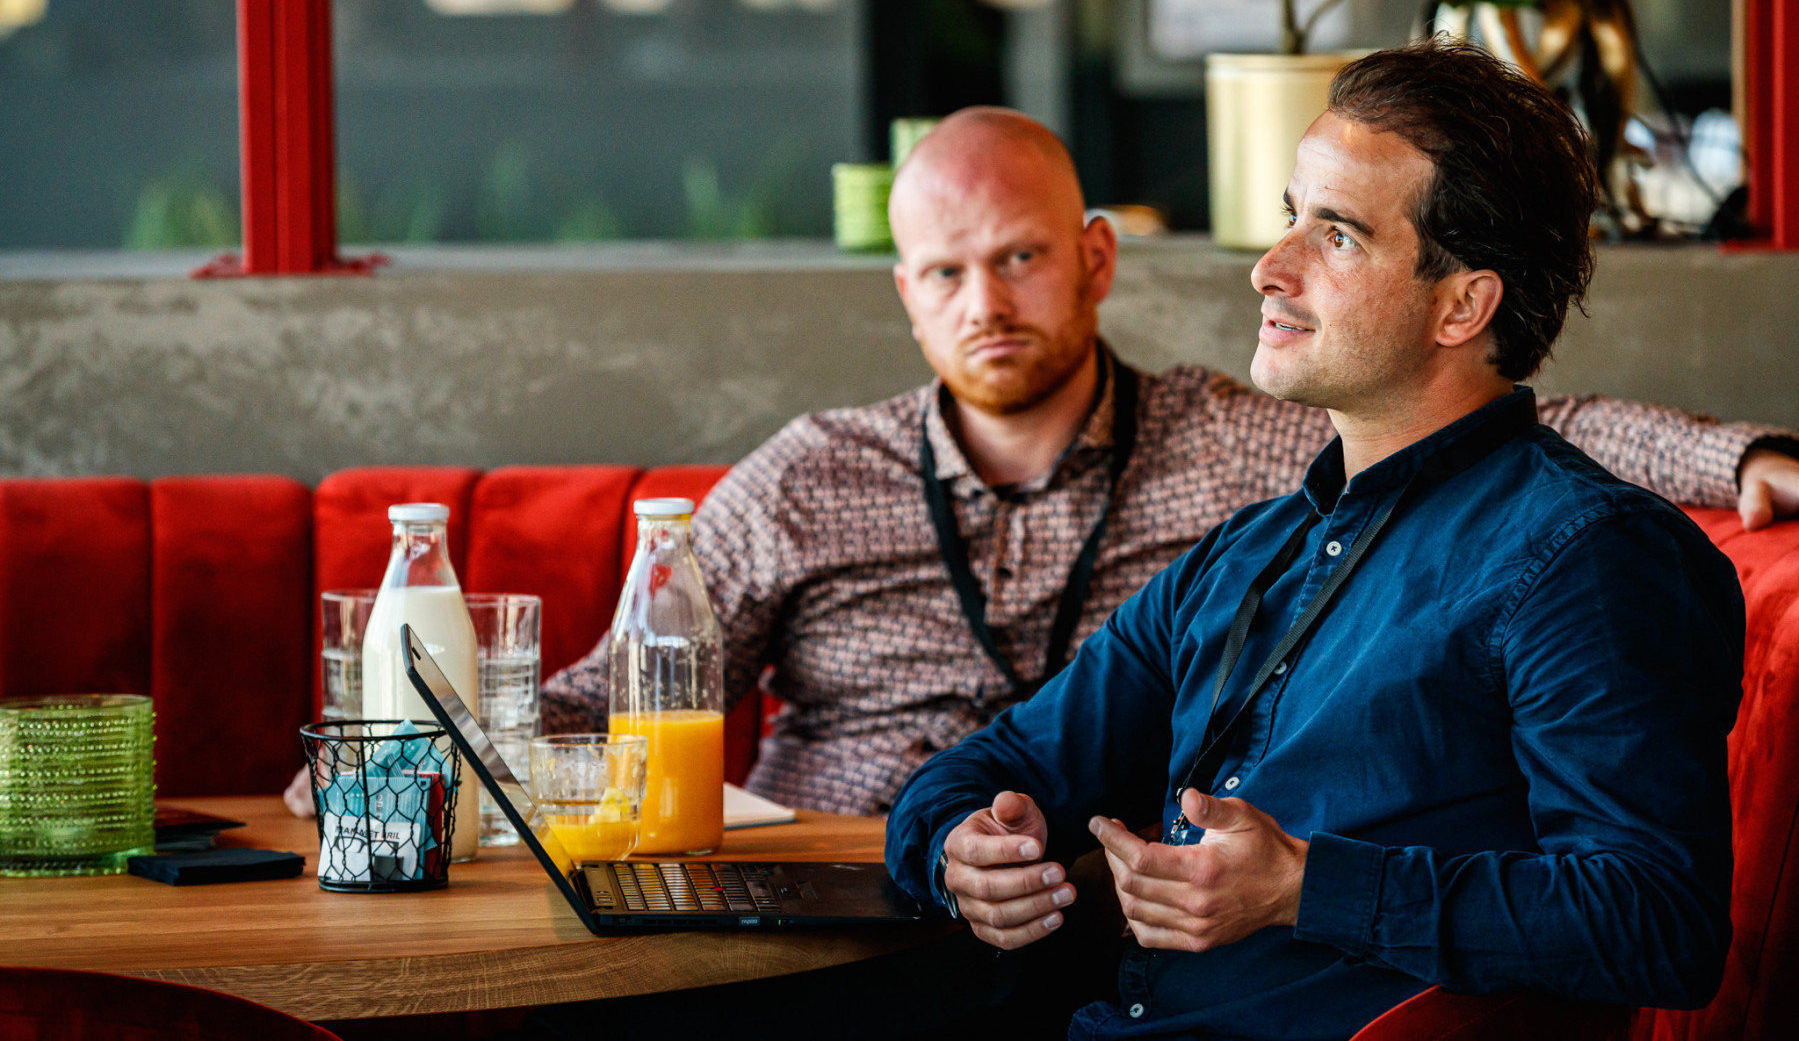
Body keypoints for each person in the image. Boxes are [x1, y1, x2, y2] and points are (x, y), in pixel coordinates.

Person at [534, 107, 1799, 820]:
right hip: (825, 894)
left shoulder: (1232, 438)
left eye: (1019, 258)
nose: (985, 304)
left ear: (1094, 259)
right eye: (944, 273)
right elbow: (602, 707)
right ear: (906, 296)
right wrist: (441, 747)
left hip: (1095, 918)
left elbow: (1485, 416)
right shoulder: (808, 473)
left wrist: (1736, 450)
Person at [884, 38, 1745, 1038]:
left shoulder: (1587, 558)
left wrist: (1303, 886)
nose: (1268, 267)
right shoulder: (1242, 555)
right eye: (1289, 215)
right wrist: (958, 849)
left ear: (1460, 304)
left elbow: (1655, 922)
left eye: (1334, 236)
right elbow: (990, 765)